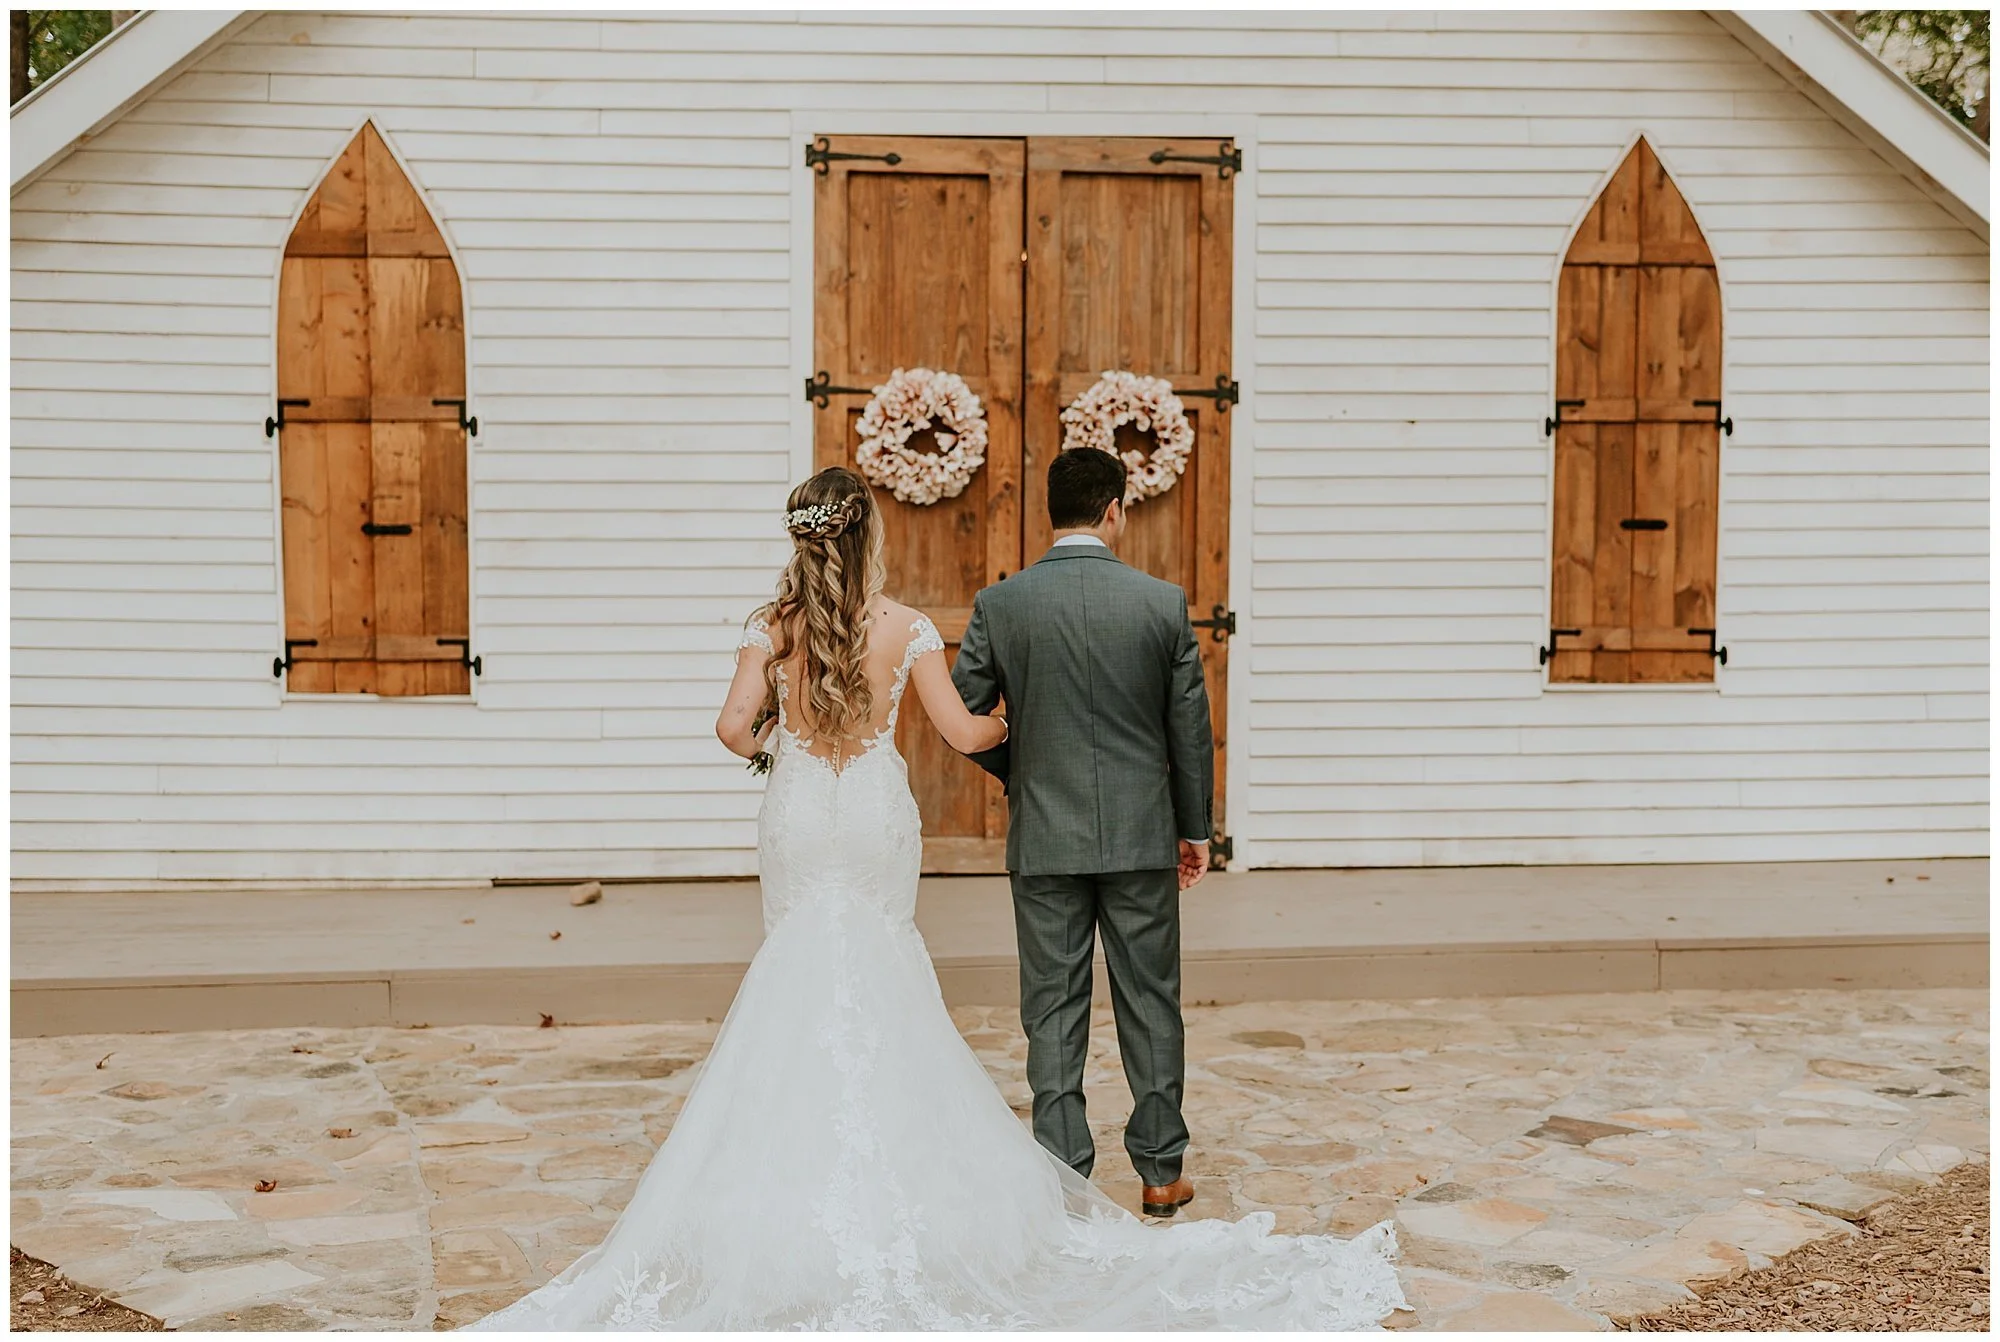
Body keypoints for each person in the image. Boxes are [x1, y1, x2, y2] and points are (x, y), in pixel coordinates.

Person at [467, 465, 1402, 1331]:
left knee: (801, 967)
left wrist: (777, 747)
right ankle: (1037, 1175)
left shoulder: (772, 625)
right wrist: (1021, 723)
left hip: (801, 813)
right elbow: (961, 730)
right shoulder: (906, 625)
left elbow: (729, 726)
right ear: (868, 536)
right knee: (887, 968)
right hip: (876, 817)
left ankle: (788, 1184)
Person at [951, 446, 1213, 1217]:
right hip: (1141, 835)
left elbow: (963, 716)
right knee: (1151, 1002)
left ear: (1052, 513)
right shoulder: (1160, 603)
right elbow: (1190, 732)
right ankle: (1160, 1172)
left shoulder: (1002, 604)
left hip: (1045, 836)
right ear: (1114, 510)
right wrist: (1193, 829)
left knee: (1053, 1009)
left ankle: (1066, 1181)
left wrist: (1022, 768)